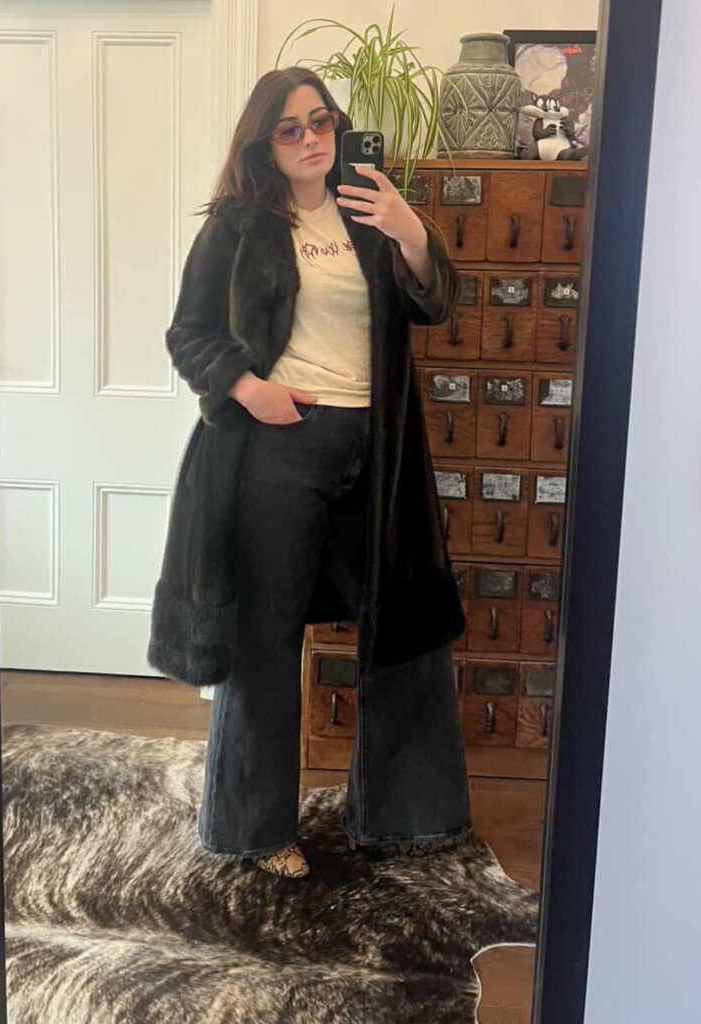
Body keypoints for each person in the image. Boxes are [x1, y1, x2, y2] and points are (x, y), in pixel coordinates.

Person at [148, 67, 472, 879]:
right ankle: (255, 832)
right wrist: (248, 388)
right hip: (280, 445)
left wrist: (410, 232)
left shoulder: (370, 211)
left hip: (380, 446)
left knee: (404, 625)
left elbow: (433, 305)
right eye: (289, 128)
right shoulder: (237, 226)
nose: (310, 139)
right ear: (263, 143)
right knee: (265, 637)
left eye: (320, 121)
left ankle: (400, 815)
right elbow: (188, 333)